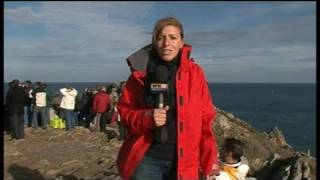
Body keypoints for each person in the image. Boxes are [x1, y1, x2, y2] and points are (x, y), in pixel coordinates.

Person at [116, 17, 219, 180]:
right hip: (148, 160)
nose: (166, 43)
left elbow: (205, 119)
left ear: (181, 42)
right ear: (154, 42)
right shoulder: (139, 74)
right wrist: (147, 117)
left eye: (173, 37)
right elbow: (124, 111)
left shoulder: (195, 73)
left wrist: (209, 161)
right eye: (160, 37)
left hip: (186, 163)